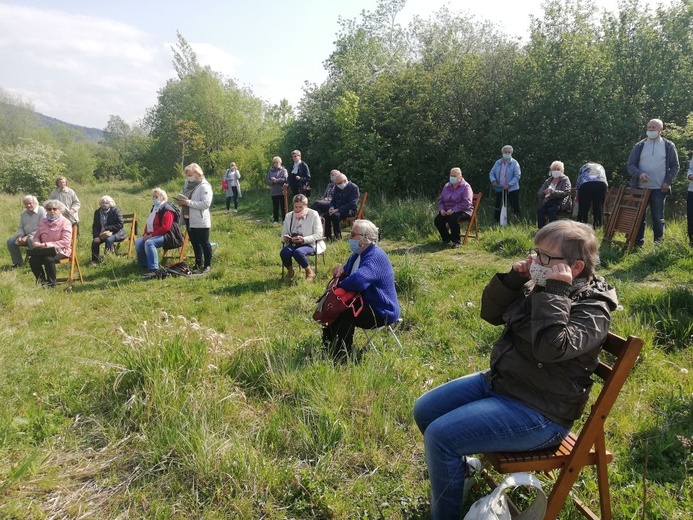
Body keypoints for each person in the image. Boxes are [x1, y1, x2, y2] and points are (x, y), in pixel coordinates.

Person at [413, 220, 617, 520]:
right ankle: (462, 472)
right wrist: (512, 280)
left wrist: (556, 293)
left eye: (545, 257)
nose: (536, 261)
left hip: (541, 413)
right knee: (425, 410)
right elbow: (490, 314)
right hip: (504, 383)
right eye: (535, 252)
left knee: (441, 436)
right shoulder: (543, 284)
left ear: (573, 268)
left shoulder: (593, 308)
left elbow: (551, 349)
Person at [322, 219, 399, 363]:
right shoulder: (357, 255)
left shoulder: (375, 256)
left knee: (344, 311)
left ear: (365, 238)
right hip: (364, 303)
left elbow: (359, 280)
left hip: (381, 310)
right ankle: (328, 346)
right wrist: (340, 271)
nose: (349, 237)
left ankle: (342, 355)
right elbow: (347, 273)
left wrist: (340, 286)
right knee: (332, 307)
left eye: (352, 234)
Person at [627, 118, 680, 246]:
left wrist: (667, 181)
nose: (650, 130)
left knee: (658, 218)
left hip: (659, 188)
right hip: (640, 188)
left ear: (660, 130)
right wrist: (639, 174)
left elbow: (675, 166)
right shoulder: (639, 145)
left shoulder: (668, 146)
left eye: (653, 128)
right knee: (639, 217)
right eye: (649, 127)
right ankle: (637, 244)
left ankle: (658, 245)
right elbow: (630, 164)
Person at [27, 200, 72, 288]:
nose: (52, 211)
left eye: (54, 209)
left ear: (59, 210)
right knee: (33, 260)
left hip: (62, 250)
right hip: (45, 250)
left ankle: (52, 284)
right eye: (49, 209)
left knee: (48, 259)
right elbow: (36, 236)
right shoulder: (43, 221)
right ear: (46, 210)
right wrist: (36, 242)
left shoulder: (65, 222)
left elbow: (66, 241)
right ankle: (42, 282)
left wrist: (45, 244)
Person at [280, 194, 325, 281]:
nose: (297, 209)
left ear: (306, 206)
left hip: (309, 243)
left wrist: (304, 239)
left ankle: (309, 272)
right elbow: (284, 233)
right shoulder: (289, 216)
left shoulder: (314, 214)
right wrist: (285, 238)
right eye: (295, 207)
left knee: (298, 252)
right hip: (293, 242)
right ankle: (290, 271)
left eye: (300, 207)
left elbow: (319, 234)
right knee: (284, 252)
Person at [178, 163, 213, 274]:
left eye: (190, 174)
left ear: (197, 173)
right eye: (187, 175)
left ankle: (208, 265)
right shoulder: (187, 185)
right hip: (188, 218)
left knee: (204, 242)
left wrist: (188, 202)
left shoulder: (204, 186)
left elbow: (205, 204)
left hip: (200, 219)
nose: (188, 177)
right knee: (194, 242)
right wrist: (182, 202)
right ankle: (199, 263)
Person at [135, 188, 177, 277]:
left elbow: (166, 227)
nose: (154, 199)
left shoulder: (167, 209)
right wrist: (145, 234)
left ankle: (154, 269)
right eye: (153, 197)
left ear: (163, 197)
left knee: (149, 243)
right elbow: (149, 223)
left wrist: (151, 236)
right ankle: (144, 265)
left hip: (167, 235)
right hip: (152, 234)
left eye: (156, 197)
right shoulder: (154, 208)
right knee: (138, 242)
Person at [434, 167, 473, 248]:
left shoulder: (466, 187)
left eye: (454, 176)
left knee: (453, 219)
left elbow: (467, 202)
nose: (452, 177)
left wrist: (454, 210)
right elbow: (441, 200)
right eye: (451, 175)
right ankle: (446, 238)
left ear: (460, 177)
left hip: (464, 210)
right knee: (438, 220)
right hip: (447, 210)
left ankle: (457, 241)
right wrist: (441, 209)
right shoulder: (446, 186)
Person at [7, 195, 46, 268]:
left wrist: (28, 236)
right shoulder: (23, 213)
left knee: (31, 240)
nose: (28, 205)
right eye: (26, 204)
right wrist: (20, 236)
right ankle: (17, 263)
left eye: (30, 203)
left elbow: (43, 227)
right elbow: (21, 227)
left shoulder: (41, 210)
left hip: (39, 235)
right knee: (11, 242)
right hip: (25, 235)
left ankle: (36, 263)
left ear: (35, 202)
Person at [489, 145, 521, 223]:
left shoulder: (514, 163)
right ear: (502, 153)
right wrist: (493, 181)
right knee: (498, 205)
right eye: (505, 152)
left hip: (512, 189)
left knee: (514, 206)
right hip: (500, 188)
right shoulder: (498, 162)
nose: (507, 153)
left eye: (508, 152)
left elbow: (517, 176)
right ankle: (497, 221)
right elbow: (492, 173)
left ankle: (516, 221)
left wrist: (509, 184)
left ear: (511, 153)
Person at [90, 195, 127, 264]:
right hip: (104, 233)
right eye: (103, 202)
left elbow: (120, 224)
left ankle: (108, 259)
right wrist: (96, 236)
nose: (104, 204)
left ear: (110, 203)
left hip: (117, 232)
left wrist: (107, 228)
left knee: (109, 239)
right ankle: (94, 261)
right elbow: (95, 226)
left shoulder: (115, 211)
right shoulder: (97, 212)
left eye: (106, 203)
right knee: (95, 242)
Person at [536, 160, 572, 229]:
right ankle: (541, 230)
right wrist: (544, 192)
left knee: (551, 210)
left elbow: (566, 192)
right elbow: (539, 193)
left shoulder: (565, 179)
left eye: (558, 169)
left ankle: (554, 230)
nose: (556, 171)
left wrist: (554, 192)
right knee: (540, 210)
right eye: (554, 169)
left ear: (561, 170)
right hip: (548, 202)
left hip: (560, 202)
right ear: (551, 170)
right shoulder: (548, 180)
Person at [325, 172, 360, 241]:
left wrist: (337, 210)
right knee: (326, 216)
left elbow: (352, 204)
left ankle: (337, 237)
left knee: (335, 215)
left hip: (349, 210)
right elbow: (333, 200)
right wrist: (331, 208)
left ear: (344, 181)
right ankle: (328, 237)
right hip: (337, 209)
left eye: (339, 183)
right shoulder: (337, 187)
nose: (337, 185)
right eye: (336, 183)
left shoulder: (354, 188)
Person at [575, 162, 609, 228]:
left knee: (583, 207)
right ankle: (598, 225)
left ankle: (582, 224)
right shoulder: (600, 166)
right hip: (601, 184)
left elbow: (579, 181)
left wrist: (577, 193)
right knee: (599, 207)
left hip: (585, 184)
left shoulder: (584, 167)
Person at [266, 156, 288, 224]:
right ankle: (276, 220)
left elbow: (285, 179)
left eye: (277, 162)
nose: (276, 163)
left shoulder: (284, 170)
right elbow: (267, 181)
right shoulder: (270, 171)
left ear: (280, 162)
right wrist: (272, 181)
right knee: (275, 207)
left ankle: (285, 220)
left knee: (283, 207)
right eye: (274, 162)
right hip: (274, 192)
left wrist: (277, 180)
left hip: (282, 191)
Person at [687, 156, 693, 247]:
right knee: (691, 217)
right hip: (692, 191)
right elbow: (690, 168)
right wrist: (690, 175)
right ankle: (691, 242)